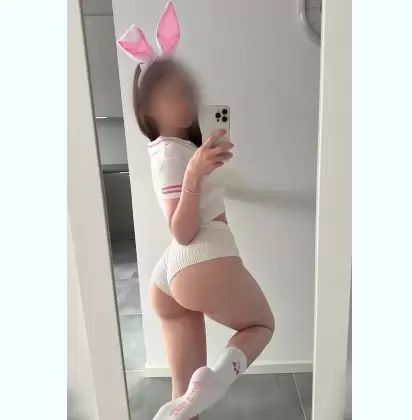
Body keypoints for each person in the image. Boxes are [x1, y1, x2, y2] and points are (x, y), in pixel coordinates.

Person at [132, 58, 275, 420]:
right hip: (202, 253)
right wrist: (194, 174)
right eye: (173, 93)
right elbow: (181, 232)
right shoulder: (169, 153)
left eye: (188, 90)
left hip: (170, 276)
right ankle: (216, 381)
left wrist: (203, 167)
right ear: (148, 109)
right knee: (260, 326)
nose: (186, 99)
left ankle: (196, 396)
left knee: (184, 404)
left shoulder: (179, 147)